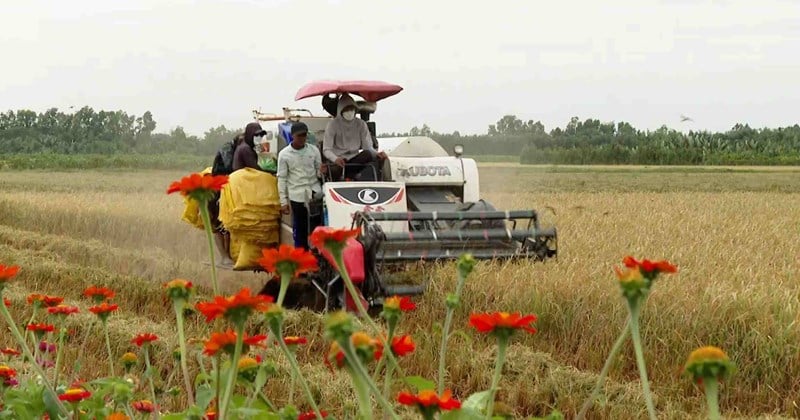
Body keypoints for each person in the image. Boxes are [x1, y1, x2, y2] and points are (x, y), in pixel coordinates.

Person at [277, 122, 325, 250]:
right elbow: (282, 179)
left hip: (315, 193)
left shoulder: (313, 150)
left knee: (317, 227)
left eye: (305, 135)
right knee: (300, 230)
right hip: (297, 195)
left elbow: (319, 173)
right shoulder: (284, 155)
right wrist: (283, 202)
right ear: (293, 136)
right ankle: (302, 262)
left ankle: (318, 259)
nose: (303, 138)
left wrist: (321, 171)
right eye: (300, 135)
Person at [322, 93, 387, 181]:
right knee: (334, 169)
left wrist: (377, 154)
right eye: (347, 109)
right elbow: (326, 149)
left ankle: (349, 176)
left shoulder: (361, 124)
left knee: (368, 154)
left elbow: (367, 147)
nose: (349, 111)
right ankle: (350, 176)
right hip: (338, 161)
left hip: (355, 160)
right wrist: (336, 159)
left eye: (351, 109)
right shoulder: (332, 125)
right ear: (341, 110)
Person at [209, 133, 243, 267]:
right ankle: (223, 256)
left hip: (224, 188)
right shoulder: (227, 149)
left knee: (226, 225)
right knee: (217, 225)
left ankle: (227, 257)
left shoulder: (235, 149)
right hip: (215, 189)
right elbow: (231, 168)